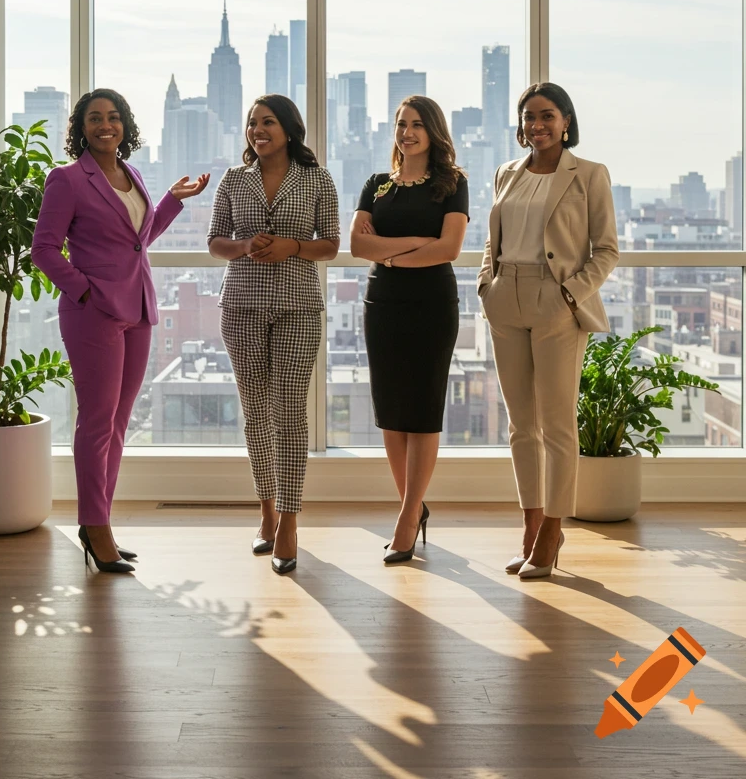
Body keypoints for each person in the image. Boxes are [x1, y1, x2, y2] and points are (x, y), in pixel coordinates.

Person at [31, 88, 209, 573]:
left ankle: (99, 521)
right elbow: (43, 249)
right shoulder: (66, 180)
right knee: (96, 423)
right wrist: (84, 291)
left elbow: (138, 240)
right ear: (81, 127)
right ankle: (96, 527)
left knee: (118, 425)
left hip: (139, 311)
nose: (105, 125)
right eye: (94, 118)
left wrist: (172, 200)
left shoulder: (130, 175)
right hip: (94, 314)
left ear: (126, 126)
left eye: (113, 117)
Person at [478, 81, 618, 580]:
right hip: (505, 298)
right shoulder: (506, 173)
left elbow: (607, 249)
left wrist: (569, 294)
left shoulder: (589, 175)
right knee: (521, 426)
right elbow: (491, 242)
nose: (536, 125)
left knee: (557, 426)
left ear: (565, 122)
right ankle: (530, 525)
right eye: (528, 117)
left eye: (547, 115)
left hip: (556, 299)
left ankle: (552, 533)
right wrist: (486, 285)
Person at [208, 95, 339, 575]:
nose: (258, 130)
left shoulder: (317, 178)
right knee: (255, 411)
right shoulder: (232, 180)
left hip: (298, 307)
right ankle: (265, 511)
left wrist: (293, 246)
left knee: (290, 413)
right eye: (251, 123)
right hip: (241, 307)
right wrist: (244, 246)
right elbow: (214, 241)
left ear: (288, 129)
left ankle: (289, 519)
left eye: (267, 122)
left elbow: (331, 244)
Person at [350, 96, 468, 565]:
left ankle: (404, 518)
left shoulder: (451, 184)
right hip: (382, 304)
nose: (408, 132)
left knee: (422, 410)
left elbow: (450, 249)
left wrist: (390, 253)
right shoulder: (377, 185)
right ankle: (413, 507)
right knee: (392, 411)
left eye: (417, 124)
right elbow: (358, 244)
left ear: (434, 131)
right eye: (401, 124)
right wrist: (416, 245)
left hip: (432, 305)